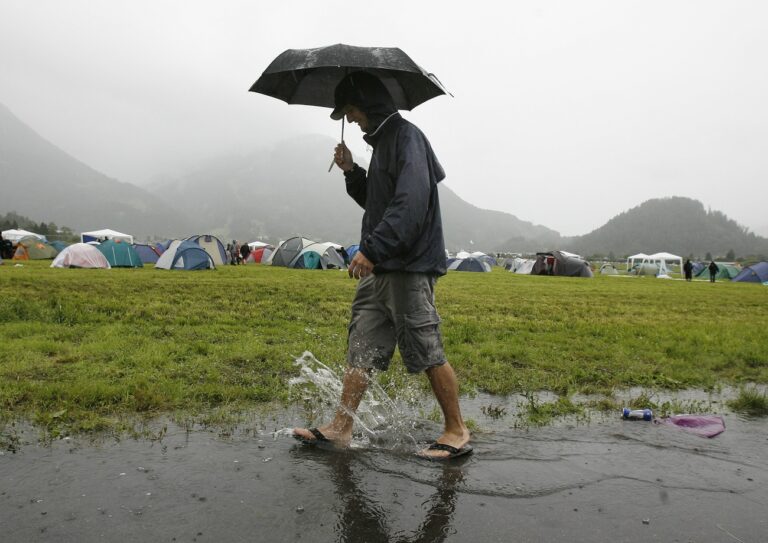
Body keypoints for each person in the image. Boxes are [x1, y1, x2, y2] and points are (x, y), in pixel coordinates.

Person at [293, 71, 471, 460]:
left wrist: (372, 249)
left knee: (425, 347)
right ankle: (341, 428)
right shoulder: (384, 143)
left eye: (353, 110)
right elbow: (377, 202)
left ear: (370, 105)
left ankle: (456, 430)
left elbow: (410, 204)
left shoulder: (407, 139)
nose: (352, 119)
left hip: (407, 266)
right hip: (381, 268)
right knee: (362, 345)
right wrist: (352, 172)